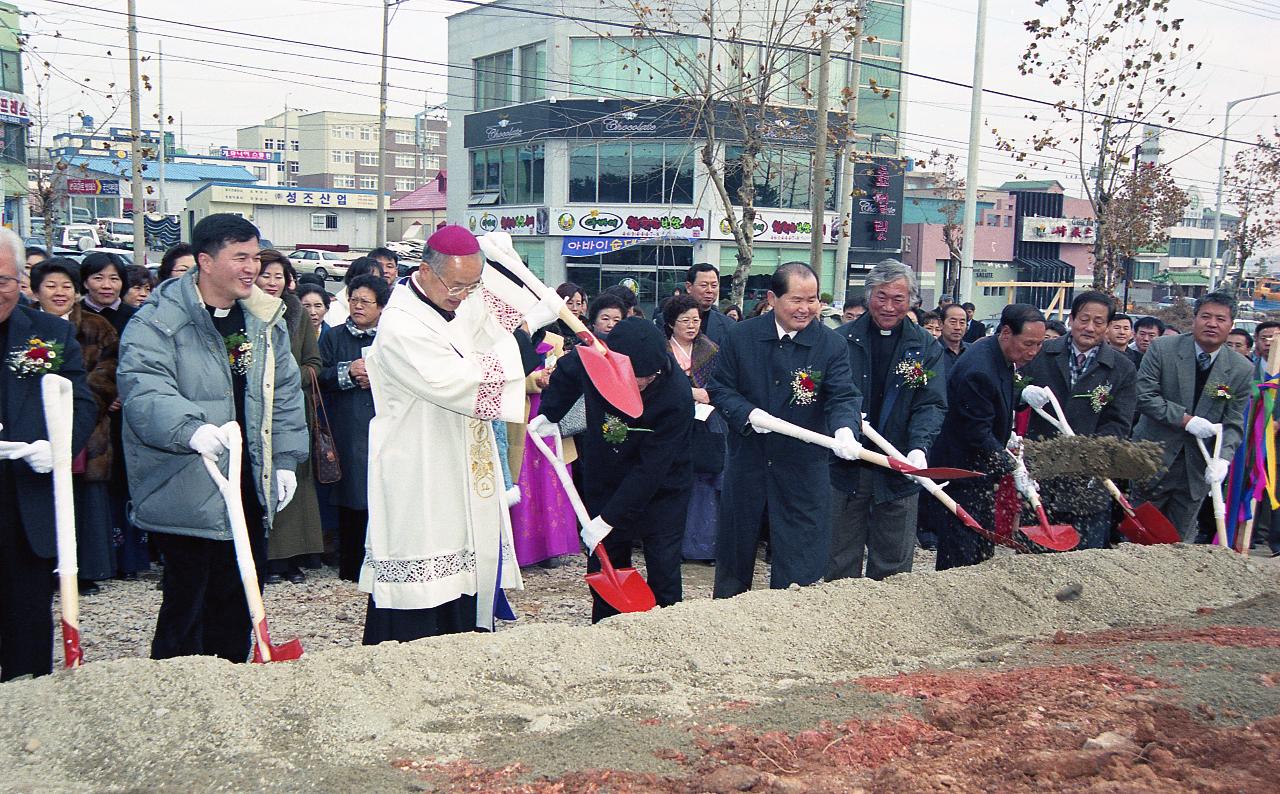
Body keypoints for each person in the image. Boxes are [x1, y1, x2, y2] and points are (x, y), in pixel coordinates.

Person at [358, 225, 563, 642]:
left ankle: (464, 639)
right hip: (420, 461)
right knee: (425, 563)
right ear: (425, 271)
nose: (463, 295)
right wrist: (523, 337)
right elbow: (461, 382)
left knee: (467, 563)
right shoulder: (402, 325)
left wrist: (528, 303)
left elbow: (490, 316)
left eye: (471, 285)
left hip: (463, 457)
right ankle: (407, 651)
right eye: (456, 286)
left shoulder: (457, 296)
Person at [117, 214, 307, 662]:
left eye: (255, 256)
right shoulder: (160, 320)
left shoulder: (263, 319)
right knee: (188, 600)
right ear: (205, 260)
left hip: (247, 479)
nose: (251, 267)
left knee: (241, 591)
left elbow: (283, 392)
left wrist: (284, 459)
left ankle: (231, 683)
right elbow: (144, 386)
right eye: (239, 257)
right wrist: (190, 429)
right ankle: (175, 692)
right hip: (187, 478)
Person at [708, 262, 862, 596]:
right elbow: (720, 388)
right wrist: (747, 414)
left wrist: (845, 430)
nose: (805, 309)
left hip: (802, 468)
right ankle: (727, 623)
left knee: (799, 565)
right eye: (796, 299)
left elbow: (843, 396)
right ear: (772, 298)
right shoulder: (740, 337)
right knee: (735, 555)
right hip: (748, 462)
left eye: (812, 300)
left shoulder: (831, 345)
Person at [537, 318, 694, 621]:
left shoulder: (676, 396)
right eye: (632, 376)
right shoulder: (595, 359)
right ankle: (606, 627)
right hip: (605, 476)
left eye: (645, 378)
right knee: (606, 563)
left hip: (662, 490)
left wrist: (608, 519)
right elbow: (568, 373)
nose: (637, 384)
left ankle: (667, 629)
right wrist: (550, 413)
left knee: (663, 565)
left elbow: (651, 470)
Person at [0, 229, 96, 681]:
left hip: (24, 499)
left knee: (26, 626)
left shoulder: (49, 333)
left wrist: (55, 447)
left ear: (20, 280)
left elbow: (81, 403)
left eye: (2, 280)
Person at [829, 260, 946, 581]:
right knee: (838, 558)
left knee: (894, 563)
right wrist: (841, 430)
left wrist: (919, 448)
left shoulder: (925, 346)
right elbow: (831, 396)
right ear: (868, 296)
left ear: (912, 300)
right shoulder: (841, 340)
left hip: (900, 467)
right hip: (847, 467)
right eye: (882, 297)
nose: (890, 306)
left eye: (899, 298)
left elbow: (931, 404)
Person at [1130, 292, 1254, 541]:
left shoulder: (1241, 369)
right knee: (1140, 538)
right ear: (1194, 318)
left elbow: (1233, 422)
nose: (1212, 323)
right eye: (1205, 316)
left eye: (1220, 319)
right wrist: (1186, 420)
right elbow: (1144, 396)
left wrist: (1224, 460)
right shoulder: (1163, 349)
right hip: (1154, 457)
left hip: (1197, 467)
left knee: (1180, 543)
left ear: (1231, 325)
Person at [1020, 291, 1138, 549]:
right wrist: (1023, 392)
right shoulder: (1042, 353)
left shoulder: (1122, 368)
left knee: (1085, 559)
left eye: (1098, 322)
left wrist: (1088, 452)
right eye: (1084, 319)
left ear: (1107, 326)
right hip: (1042, 472)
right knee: (1034, 560)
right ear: (1071, 319)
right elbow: (1012, 392)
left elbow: (1119, 423)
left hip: (1089, 477)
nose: (1089, 327)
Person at [932, 303, 1046, 570]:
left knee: (982, 544)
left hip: (980, 472)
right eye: (1028, 343)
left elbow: (995, 404)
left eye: (1039, 344)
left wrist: (1021, 396)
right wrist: (1013, 467)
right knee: (962, 548)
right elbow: (976, 433)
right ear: (1006, 333)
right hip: (962, 472)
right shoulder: (979, 369)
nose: (1033, 352)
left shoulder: (1000, 355)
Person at [30, 258, 120, 594]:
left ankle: (85, 570)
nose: (60, 292)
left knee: (85, 500)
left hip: (87, 421)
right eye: (51, 286)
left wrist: (79, 407)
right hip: (34, 426)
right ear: (36, 290)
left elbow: (108, 372)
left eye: (66, 285)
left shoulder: (97, 327)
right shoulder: (23, 327)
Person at [255, 249, 325, 585]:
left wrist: (285, 376)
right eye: (265, 275)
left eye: (278, 276)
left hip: (292, 410)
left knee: (294, 483)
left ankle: (292, 557)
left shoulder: (296, 313)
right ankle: (264, 556)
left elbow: (314, 364)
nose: (271, 282)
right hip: (253, 411)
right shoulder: (243, 311)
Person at [320, 274, 388, 582]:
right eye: (354, 300)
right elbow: (318, 375)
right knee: (351, 493)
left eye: (366, 302)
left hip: (382, 421)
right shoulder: (334, 337)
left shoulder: (390, 336)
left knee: (381, 493)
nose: (358, 306)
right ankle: (350, 565)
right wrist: (347, 372)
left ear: (382, 307)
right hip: (346, 424)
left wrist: (378, 378)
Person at [505, 320, 579, 570]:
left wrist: (555, 377)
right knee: (523, 478)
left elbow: (568, 378)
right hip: (519, 418)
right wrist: (534, 380)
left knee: (551, 478)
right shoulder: (505, 339)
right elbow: (502, 379)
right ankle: (521, 547)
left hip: (548, 415)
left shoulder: (554, 341)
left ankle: (551, 545)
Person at [662, 294, 726, 562]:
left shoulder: (710, 350)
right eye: (685, 320)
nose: (691, 326)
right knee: (675, 481)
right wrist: (687, 392)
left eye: (696, 320)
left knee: (706, 482)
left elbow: (721, 383)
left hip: (707, 422)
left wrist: (707, 394)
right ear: (670, 324)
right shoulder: (662, 350)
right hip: (672, 420)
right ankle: (674, 544)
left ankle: (706, 546)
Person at [79, 252, 136, 335]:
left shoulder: (135, 317)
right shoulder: (72, 315)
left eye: (114, 279)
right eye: (98, 278)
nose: (106, 286)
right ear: (85, 283)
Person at [684, 263, 734, 345]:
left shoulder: (729, 325)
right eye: (704, 285)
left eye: (714, 286)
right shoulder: (667, 320)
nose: (709, 290)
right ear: (689, 287)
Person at [324, 256, 380, 328]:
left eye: (374, 279)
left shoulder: (385, 311)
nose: (369, 283)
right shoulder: (331, 310)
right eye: (364, 278)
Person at [939, 302, 969, 375]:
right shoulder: (931, 351)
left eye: (962, 323)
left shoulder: (972, 351)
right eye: (953, 322)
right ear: (941, 324)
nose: (958, 327)